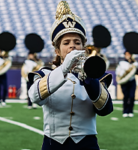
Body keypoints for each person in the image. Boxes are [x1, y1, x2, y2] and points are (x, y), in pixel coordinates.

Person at [28, 1, 113, 150]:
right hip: (53, 144)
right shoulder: (44, 74)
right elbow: (34, 97)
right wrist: (63, 70)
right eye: (66, 42)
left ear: (83, 48)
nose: (72, 46)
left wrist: (88, 77)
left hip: (87, 145)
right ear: (57, 51)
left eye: (77, 42)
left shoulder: (96, 77)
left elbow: (105, 109)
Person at [116, 51, 138, 117]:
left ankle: (130, 111)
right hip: (124, 81)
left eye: (129, 54)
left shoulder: (135, 63)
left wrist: (132, 63)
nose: (127, 55)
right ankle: (125, 111)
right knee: (126, 96)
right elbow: (118, 72)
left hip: (132, 81)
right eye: (126, 54)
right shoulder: (121, 63)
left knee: (131, 96)